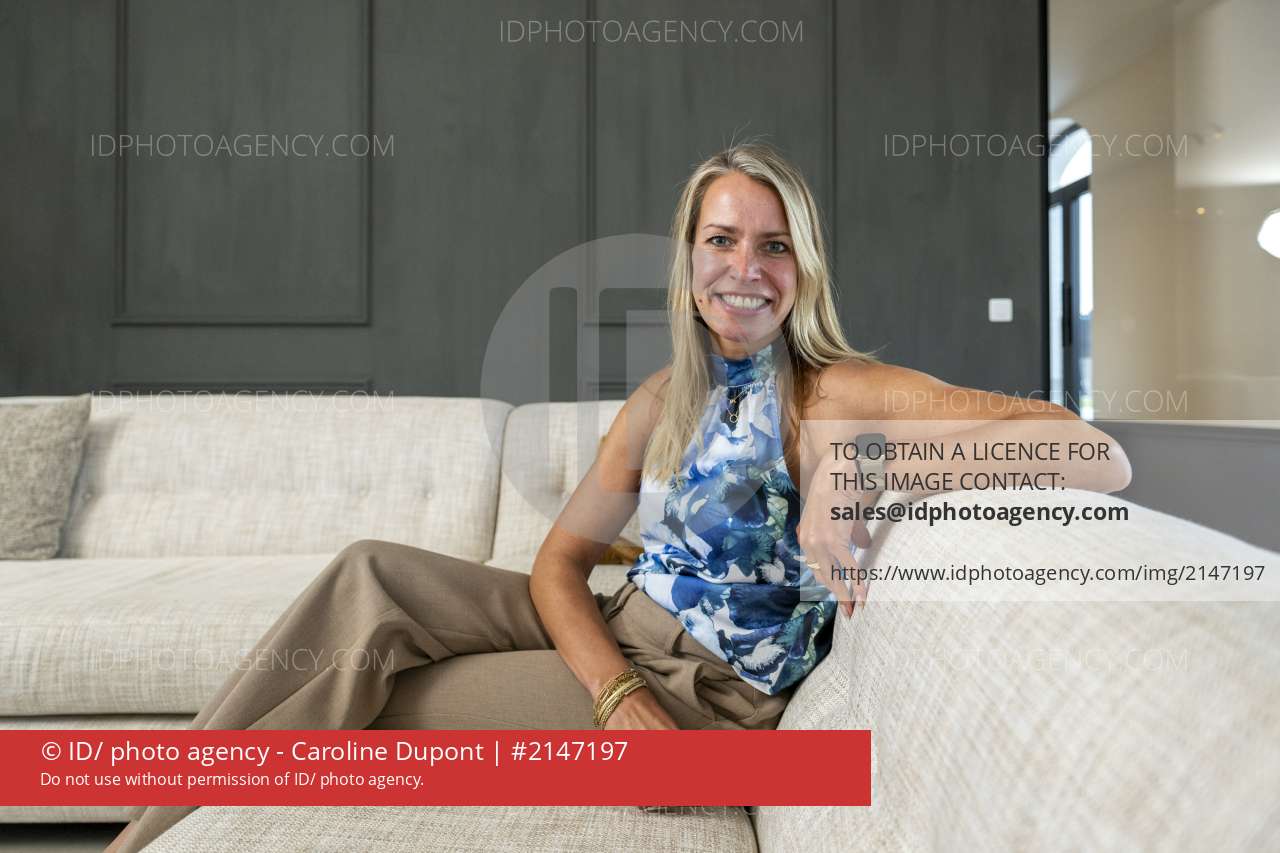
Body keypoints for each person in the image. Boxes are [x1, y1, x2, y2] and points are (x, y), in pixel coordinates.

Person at [107, 141, 1129, 851]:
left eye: (772, 244)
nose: (745, 267)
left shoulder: (837, 390)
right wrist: (613, 692)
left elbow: (1087, 450)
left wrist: (869, 469)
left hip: (709, 696)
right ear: (688, 260)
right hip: (621, 628)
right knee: (368, 576)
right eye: (721, 240)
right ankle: (144, 833)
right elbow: (556, 565)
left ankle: (158, 828)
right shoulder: (662, 400)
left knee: (363, 697)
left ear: (803, 268)